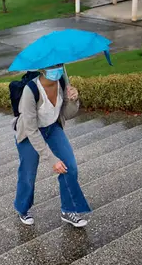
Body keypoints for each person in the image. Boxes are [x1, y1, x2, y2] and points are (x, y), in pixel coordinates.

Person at [13, 64, 90, 228]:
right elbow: (31, 130)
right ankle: (22, 208)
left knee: (70, 166)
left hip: (52, 128)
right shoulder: (30, 90)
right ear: (43, 69)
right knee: (28, 174)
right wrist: (51, 159)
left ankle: (68, 210)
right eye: (53, 66)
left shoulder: (62, 83)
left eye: (59, 65)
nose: (58, 69)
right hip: (29, 133)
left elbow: (67, 114)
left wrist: (73, 100)